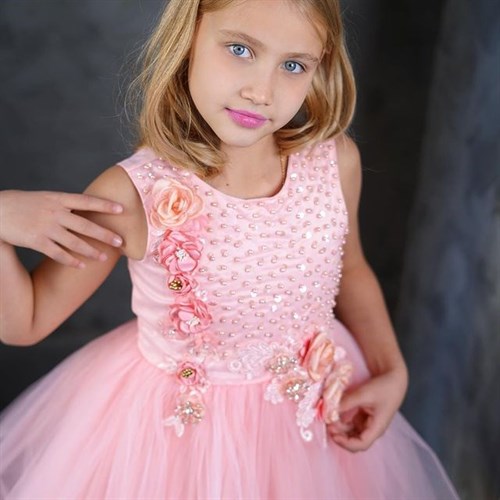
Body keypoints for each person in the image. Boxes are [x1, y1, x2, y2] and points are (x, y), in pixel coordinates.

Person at [0, 0, 459, 498]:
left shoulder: (334, 162)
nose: (261, 91)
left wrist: (391, 370)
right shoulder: (134, 196)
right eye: (240, 50)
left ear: (320, 68)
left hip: (310, 428)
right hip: (179, 441)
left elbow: (350, 270)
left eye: (293, 65)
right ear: (189, 39)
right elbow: (27, 321)